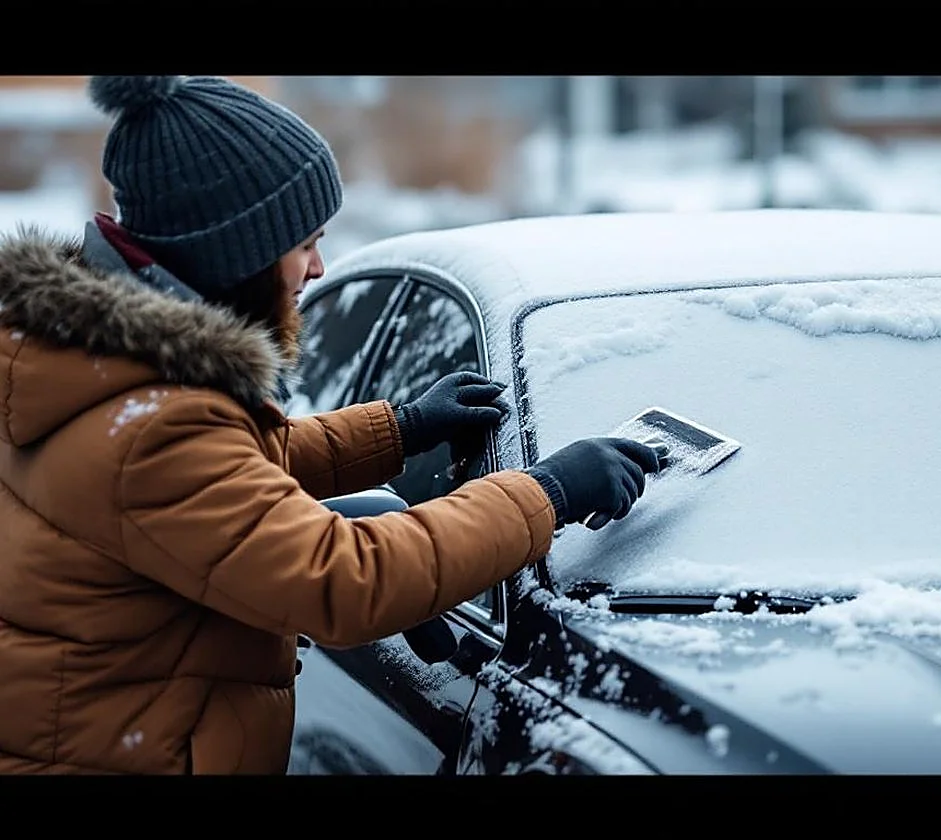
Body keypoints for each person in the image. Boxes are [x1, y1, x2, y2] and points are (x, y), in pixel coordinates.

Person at [0, 75, 663, 774]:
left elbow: (236, 465)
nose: (318, 268)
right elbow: (345, 580)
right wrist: (548, 491)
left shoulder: (97, 366)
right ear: (238, 250)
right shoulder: (153, 424)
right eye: (305, 244)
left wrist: (402, 427)